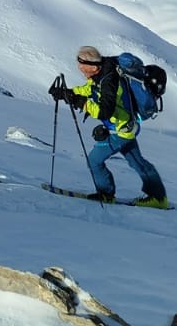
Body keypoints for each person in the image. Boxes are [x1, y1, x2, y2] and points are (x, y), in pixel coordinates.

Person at [49, 45, 169, 207]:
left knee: (94, 161)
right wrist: (68, 93)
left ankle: (106, 194)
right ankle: (159, 198)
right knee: (137, 162)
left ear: (92, 67)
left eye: (82, 67)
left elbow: (104, 111)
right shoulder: (104, 70)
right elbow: (89, 89)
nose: (80, 69)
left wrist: (80, 102)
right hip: (127, 127)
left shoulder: (109, 82)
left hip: (119, 130)